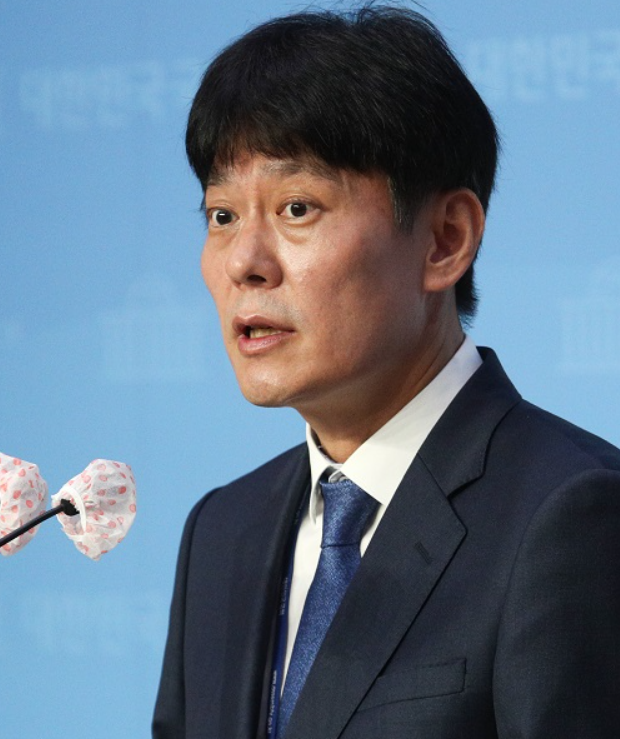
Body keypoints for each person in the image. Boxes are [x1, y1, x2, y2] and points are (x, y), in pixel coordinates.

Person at [152, 5, 620, 738]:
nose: (244, 262)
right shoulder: (221, 530)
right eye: (221, 216)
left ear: (445, 240)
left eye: (296, 207)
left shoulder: (571, 515)